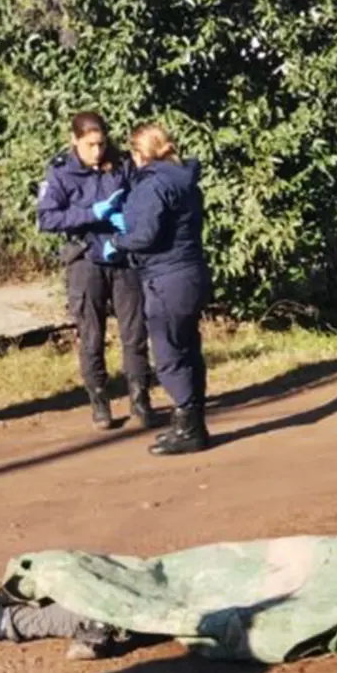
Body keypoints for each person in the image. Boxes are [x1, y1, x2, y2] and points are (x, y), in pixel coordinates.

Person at [37, 111, 155, 431]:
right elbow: (47, 218)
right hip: (85, 259)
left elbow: (142, 199)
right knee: (91, 336)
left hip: (121, 256)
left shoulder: (120, 164)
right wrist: (91, 213)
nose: (97, 151)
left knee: (135, 333)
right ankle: (100, 401)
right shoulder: (61, 173)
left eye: (101, 143)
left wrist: (128, 221)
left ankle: (140, 398)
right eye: (90, 145)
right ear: (75, 141)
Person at [103, 122, 210, 456]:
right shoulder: (184, 180)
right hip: (191, 271)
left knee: (169, 354)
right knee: (188, 348)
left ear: (139, 153)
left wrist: (117, 240)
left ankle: (188, 427)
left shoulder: (153, 185)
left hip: (166, 277)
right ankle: (190, 422)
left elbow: (145, 235)